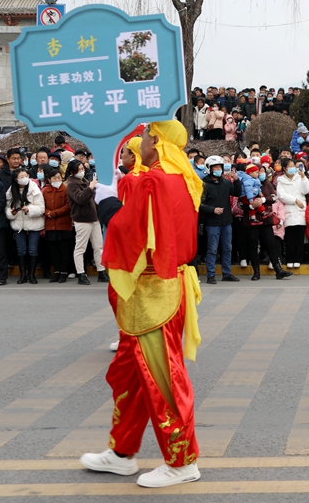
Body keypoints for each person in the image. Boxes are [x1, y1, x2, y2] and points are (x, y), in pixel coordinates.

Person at [80, 122, 203, 488]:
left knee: (164, 379)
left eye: (146, 136)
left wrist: (106, 201)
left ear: (157, 141)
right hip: (152, 288)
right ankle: (121, 452)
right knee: (129, 375)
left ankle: (182, 461)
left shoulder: (157, 180)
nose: (142, 141)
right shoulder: (181, 176)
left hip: (154, 292)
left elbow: (128, 231)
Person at [199, 156, 242, 284]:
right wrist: (213, 210)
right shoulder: (204, 184)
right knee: (212, 249)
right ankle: (211, 275)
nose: (218, 170)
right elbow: (200, 204)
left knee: (227, 248)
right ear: (209, 168)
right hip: (212, 222)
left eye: (219, 167)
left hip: (226, 221)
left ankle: (227, 273)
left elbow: (237, 192)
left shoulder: (226, 182)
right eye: (215, 168)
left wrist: (237, 180)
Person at [65, 160, 109, 285]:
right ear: (72, 171)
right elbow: (80, 199)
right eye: (78, 169)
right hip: (82, 219)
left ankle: (101, 271)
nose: (81, 171)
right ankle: (81, 273)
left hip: (93, 218)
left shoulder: (84, 181)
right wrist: (91, 187)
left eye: (82, 168)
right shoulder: (72, 184)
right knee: (80, 247)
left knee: (98, 246)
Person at [276, 158, 309, 268]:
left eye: (293, 166)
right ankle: (289, 259)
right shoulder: (281, 180)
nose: (292, 168)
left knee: (299, 238)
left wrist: (303, 177)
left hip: (300, 211)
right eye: (290, 166)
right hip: (289, 211)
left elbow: (307, 190)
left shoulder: (299, 177)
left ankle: (298, 259)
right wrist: (295, 200)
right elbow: (281, 195)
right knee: (289, 238)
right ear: (284, 168)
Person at [41, 167, 74, 283]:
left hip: (63, 224)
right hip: (50, 225)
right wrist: (47, 213)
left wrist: (54, 213)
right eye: (54, 178)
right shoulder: (45, 191)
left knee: (64, 250)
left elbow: (68, 206)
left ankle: (64, 272)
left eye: (59, 177)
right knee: (53, 251)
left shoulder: (66, 189)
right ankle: (56, 272)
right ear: (49, 180)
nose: (57, 180)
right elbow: (42, 205)